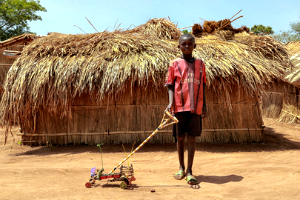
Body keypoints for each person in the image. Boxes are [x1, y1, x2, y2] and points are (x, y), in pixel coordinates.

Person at [165, 33, 207, 185]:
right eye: (184, 44)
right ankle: (181, 168)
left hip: (196, 107)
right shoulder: (174, 64)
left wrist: (205, 106)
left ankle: (190, 171)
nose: (187, 46)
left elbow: (202, 85)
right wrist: (170, 103)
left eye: (190, 43)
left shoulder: (201, 64)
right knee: (180, 138)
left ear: (194, 46)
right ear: (179, 46)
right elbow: (170, 85)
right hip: (179, 106)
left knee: (192, 138)